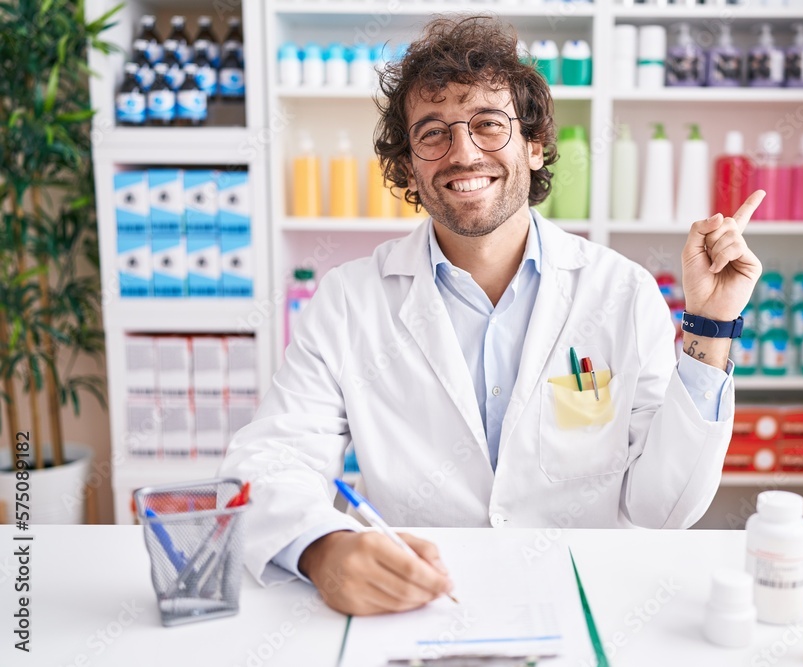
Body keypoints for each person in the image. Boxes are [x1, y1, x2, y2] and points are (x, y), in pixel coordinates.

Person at [220, 15, 764, 617]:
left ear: (533, 147)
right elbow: (271, 460)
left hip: (582, 603)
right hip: (418, 605)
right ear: (407, 166)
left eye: (488, 125)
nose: (462, 152)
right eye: (432, 134)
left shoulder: (621, 291)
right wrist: (321, 549)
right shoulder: (349, 301)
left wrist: (711, 328)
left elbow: (664, 507)